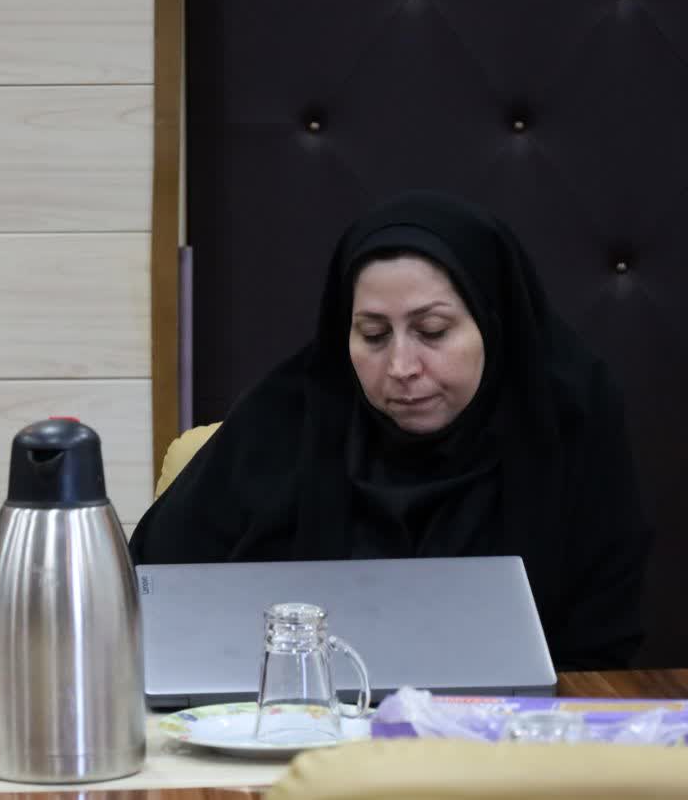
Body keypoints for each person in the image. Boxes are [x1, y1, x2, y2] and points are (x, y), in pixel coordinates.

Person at [130, 191, 650, 670]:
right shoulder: (283, 421)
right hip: (304, 723)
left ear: (494, 323)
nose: (401, 366)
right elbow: (149, 591)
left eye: (432, 331)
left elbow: (602, 643)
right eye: (374, 335)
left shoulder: (569, 421)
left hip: (519, 730)